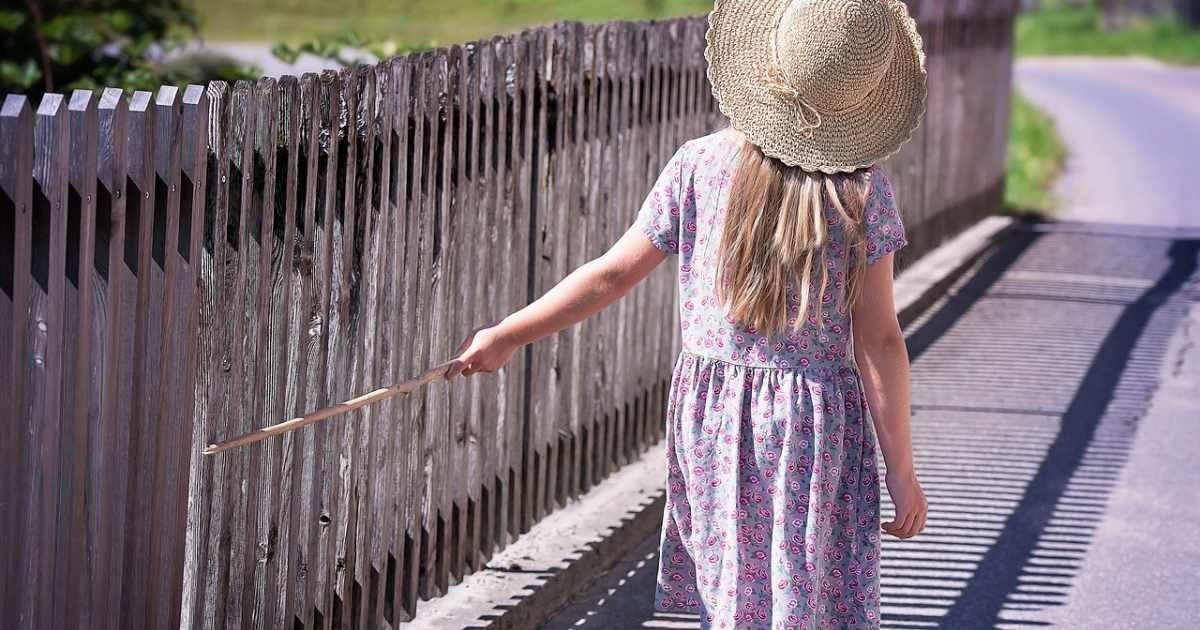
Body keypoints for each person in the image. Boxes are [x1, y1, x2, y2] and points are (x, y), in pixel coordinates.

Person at [444, 0, 929, 626]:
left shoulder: (698, 166)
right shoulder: (860, 193)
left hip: (717, 419)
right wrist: (901, 471)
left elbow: (611, 275)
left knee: (735, 594)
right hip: (814, 424)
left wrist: (508, 333)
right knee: (808, 595)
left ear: (769, 68)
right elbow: (879, 340)